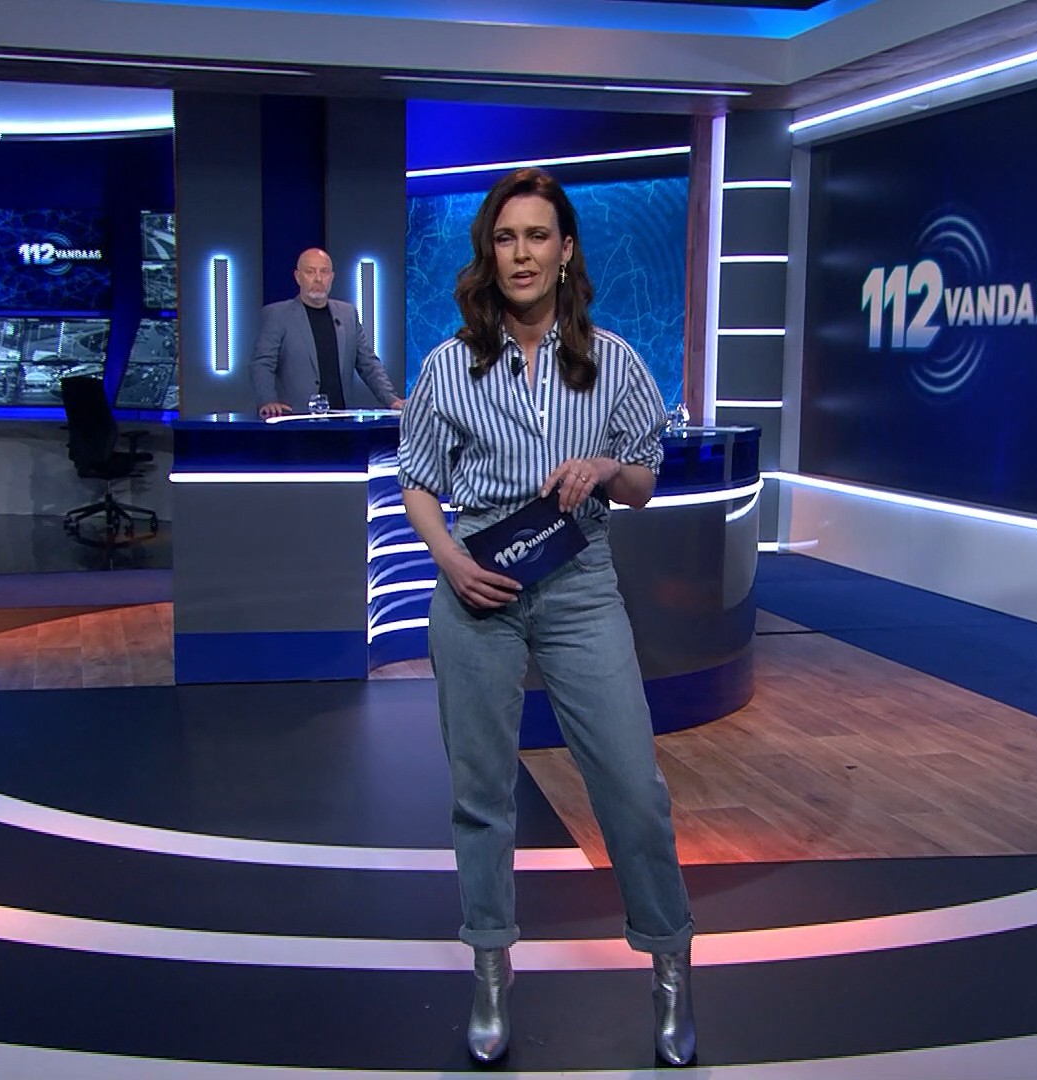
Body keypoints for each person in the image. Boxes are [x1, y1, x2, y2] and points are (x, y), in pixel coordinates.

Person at [396, 168, 695, 1066]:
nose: (521, 254)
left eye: (537, 236)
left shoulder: (616, 361)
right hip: (477, 585)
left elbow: (642, 485)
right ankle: (491, 969)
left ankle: (671, 968)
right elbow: (418, 480)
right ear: (489, 253)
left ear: (566, 251)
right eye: (506, 237)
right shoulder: (449, 364)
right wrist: (448, 558)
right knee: (481, 794)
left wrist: (602, 467)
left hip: (579, 583)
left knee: (632, 788)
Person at [250, 248, 403, 417]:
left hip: (340, 419)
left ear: (331, 277)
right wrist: (268, 401)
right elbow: (263, 364)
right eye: (310, 272)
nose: (318, 279)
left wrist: (391, 400)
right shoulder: (278, 315)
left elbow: (368, 363)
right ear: (297, 277)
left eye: (324, 272)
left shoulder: (347, 314)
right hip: (295, 419)